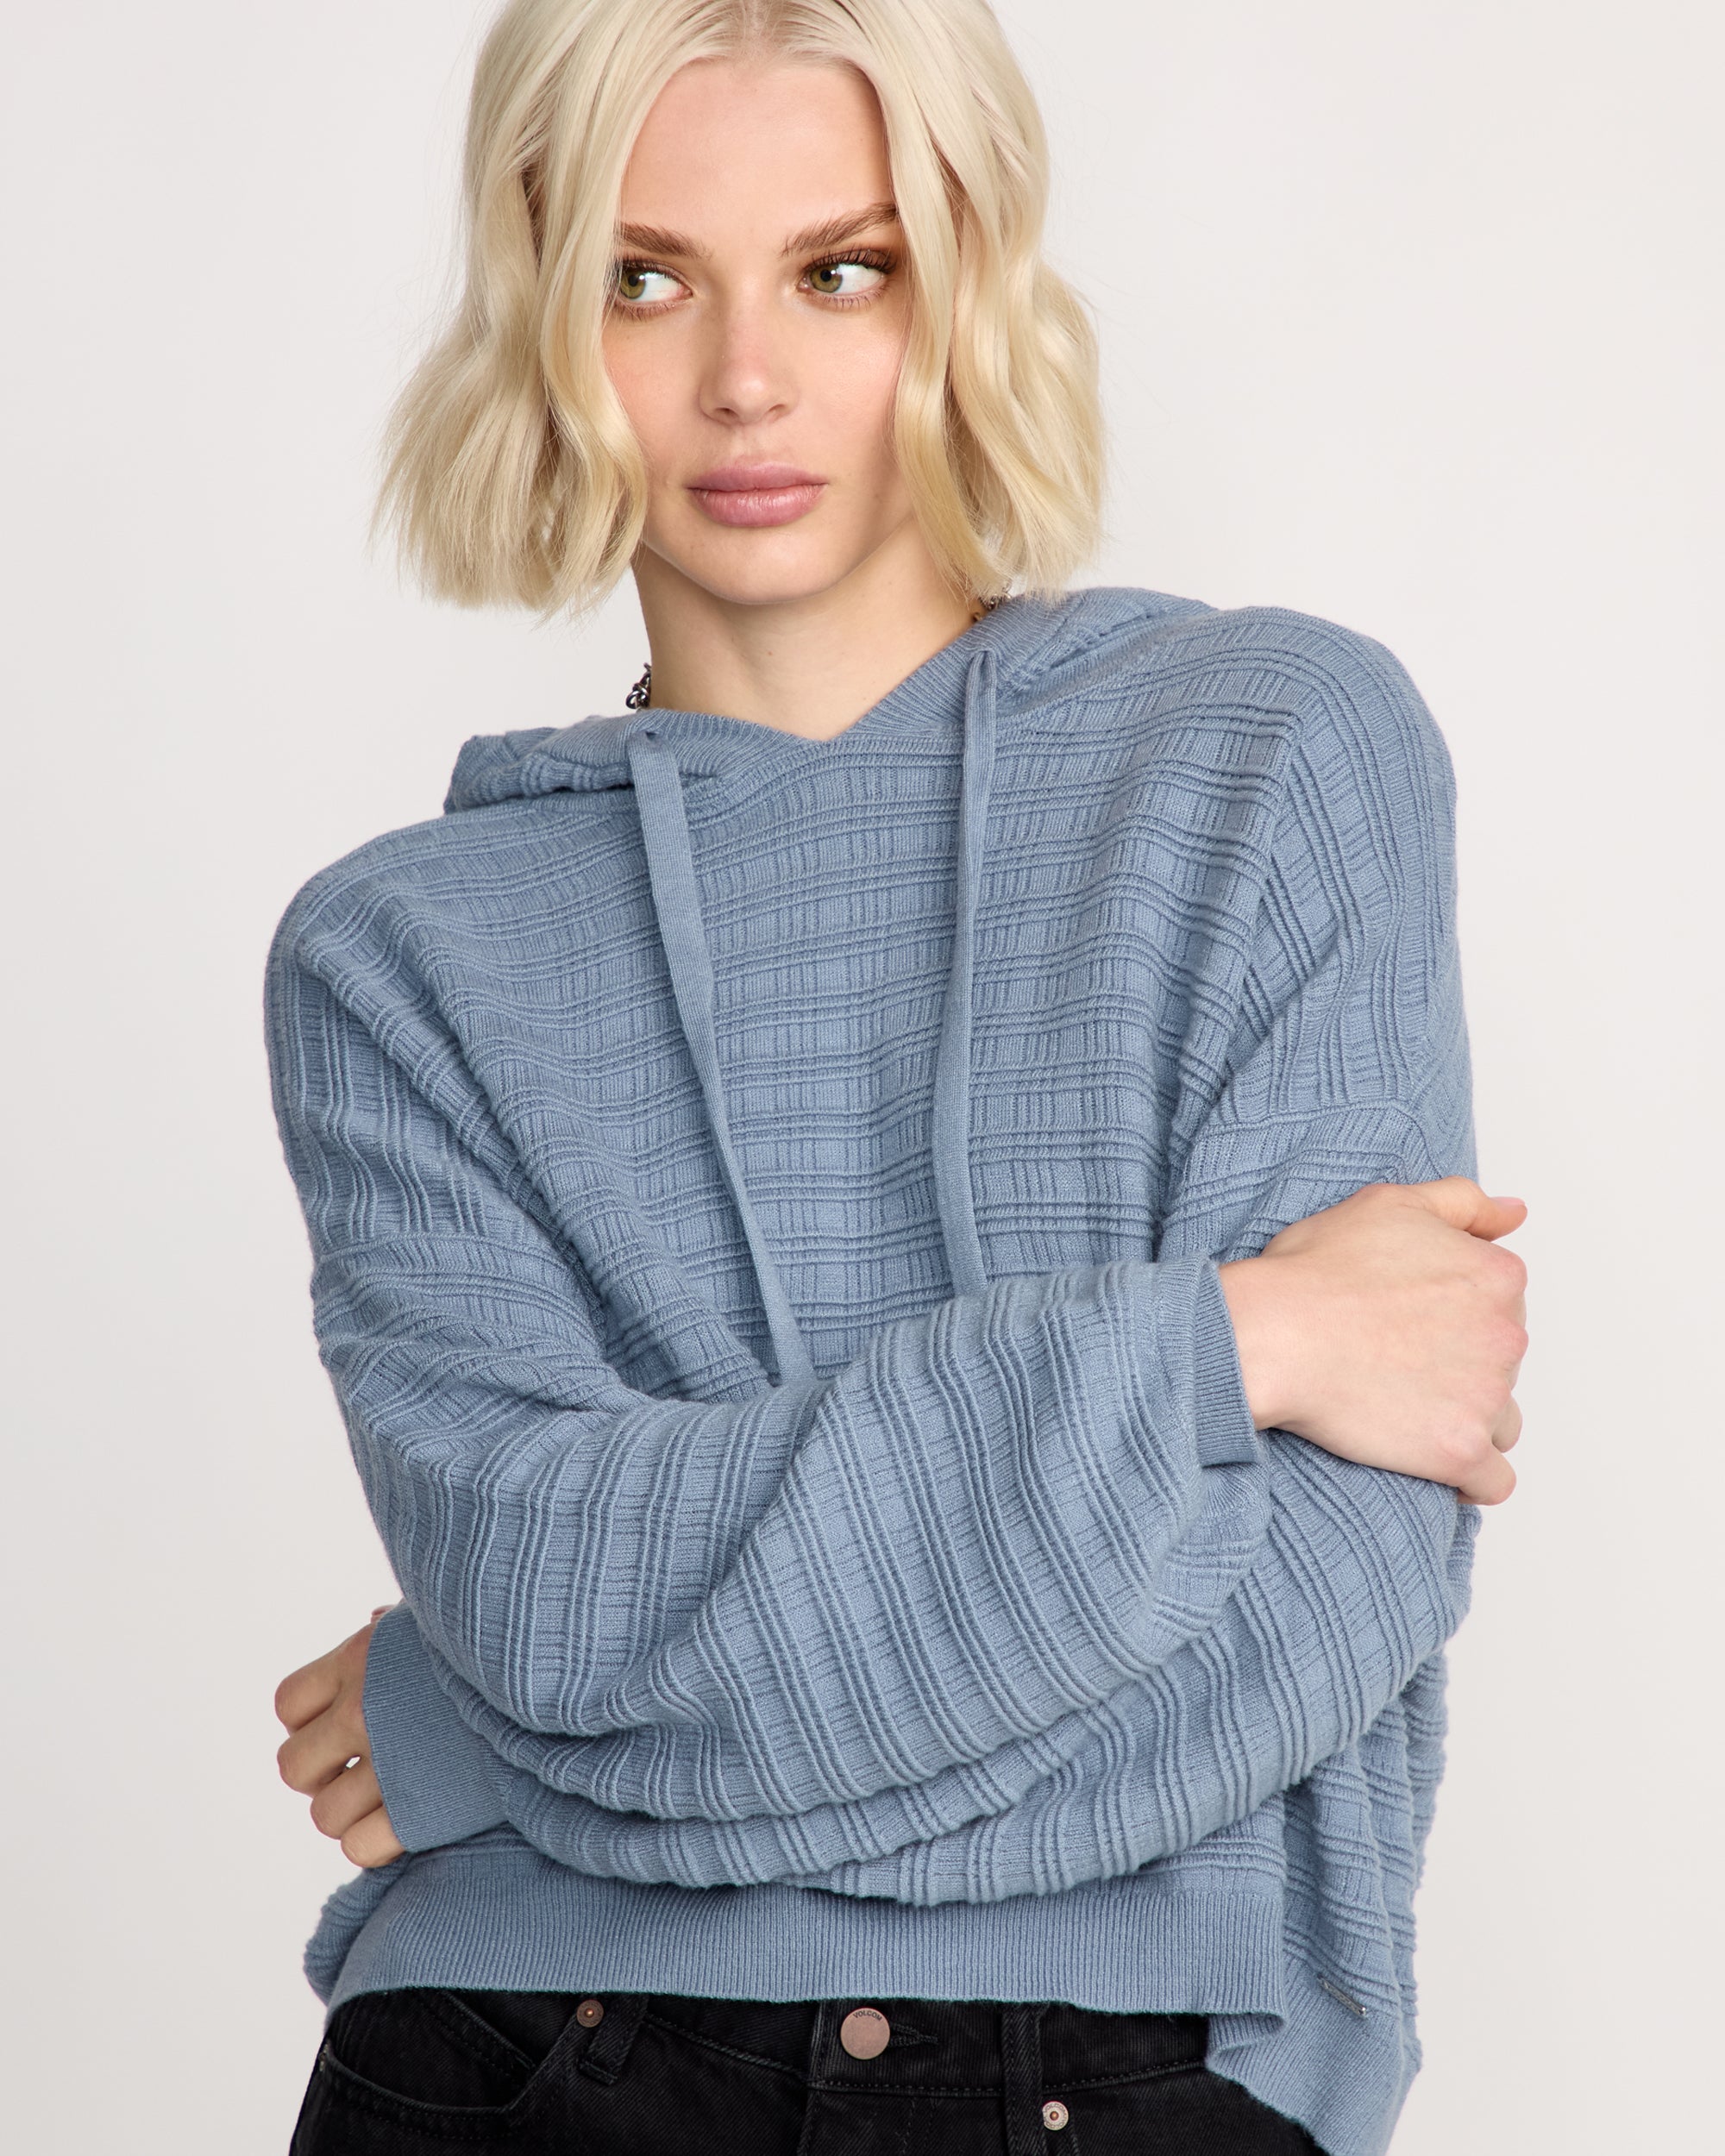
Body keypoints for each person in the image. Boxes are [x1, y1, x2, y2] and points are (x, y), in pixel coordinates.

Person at [267, 2, 1527, 2152]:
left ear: (964, 290)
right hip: (526, 2050)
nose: (744, 378)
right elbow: (548, 1599)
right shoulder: (401, 952)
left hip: (1127, 2069)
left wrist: (522, 1747)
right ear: (538, 317)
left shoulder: (1268, 765)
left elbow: (1307, 1623)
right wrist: (1231, 1344)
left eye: (840, 271)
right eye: (644, 279)